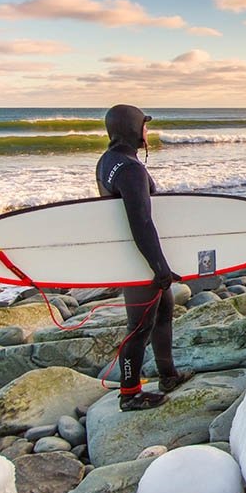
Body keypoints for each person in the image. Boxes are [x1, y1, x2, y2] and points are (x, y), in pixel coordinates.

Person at [96, 104, 192, 410]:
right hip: (140, 260)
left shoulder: (108, 161)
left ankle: (168, 376)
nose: (147, 132)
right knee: (138, 329)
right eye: (144, 126)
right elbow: (141, 220)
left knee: (163, 312)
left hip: (133, 254)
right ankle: (130, 394)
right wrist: (159, 266)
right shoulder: (131, 169)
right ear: (134, 129)